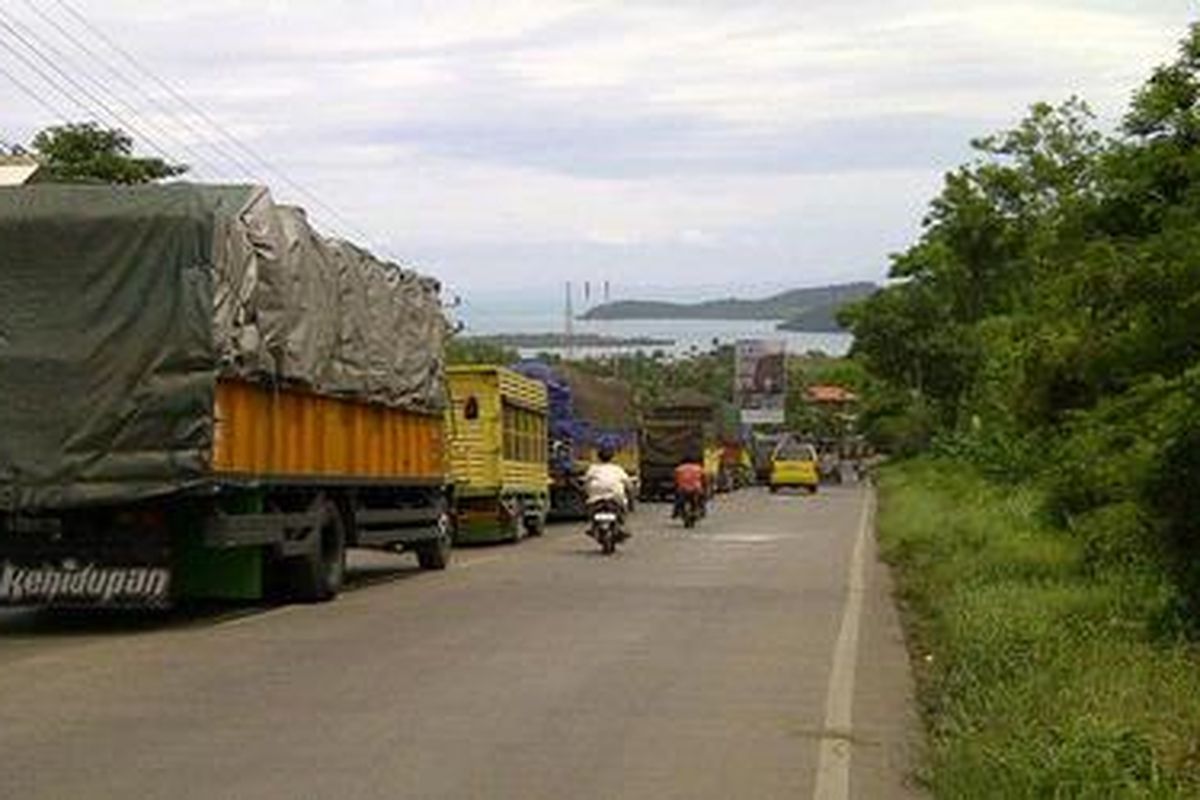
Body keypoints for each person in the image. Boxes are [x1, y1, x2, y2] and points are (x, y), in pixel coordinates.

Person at [583, 443, 635, 529]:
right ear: (612, 458)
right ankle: (622, 525)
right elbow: (629, 485)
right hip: (615, 496)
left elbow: (586, 483)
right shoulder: (618, 469)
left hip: (596, 497)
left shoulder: (593, 468)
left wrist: (586, 494)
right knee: (623, 510)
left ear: (598, 457)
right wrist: (631, 503)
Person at [673, 452, 707, 519]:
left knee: (677, 499)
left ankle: (675, 512)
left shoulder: (679, 469)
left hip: (683, 489)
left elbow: (676, 480)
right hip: (696, 489)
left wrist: (676, 487)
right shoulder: (698, 468)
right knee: (702, 499)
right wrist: (704, 488)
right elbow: (704, 479)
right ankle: (702, 510)